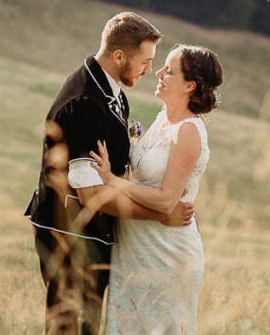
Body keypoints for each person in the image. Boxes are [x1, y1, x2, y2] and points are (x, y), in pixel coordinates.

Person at [25, 12, 195, 335]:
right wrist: (160, 215)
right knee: (66, 327)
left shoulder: (111, 91)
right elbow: (90, 195)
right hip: (70, 235)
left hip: (92, 235)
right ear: (119, 56)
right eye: (144, 62)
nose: (149, 70)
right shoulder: (85, 103)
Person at [90, 43, 224, 335]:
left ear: (189, 85)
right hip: (136, 250)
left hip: (166, 254)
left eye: (169, 71)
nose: (159, 73)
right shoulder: (164, 119)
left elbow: (165, 201)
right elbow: (143, 178)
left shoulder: (187, 131)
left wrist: (113, 182)